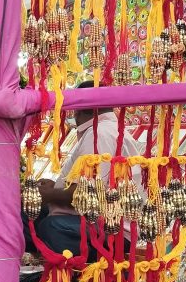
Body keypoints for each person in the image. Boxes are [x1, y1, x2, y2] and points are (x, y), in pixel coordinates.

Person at [36, 81, 143, 260]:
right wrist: (56, 187)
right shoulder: (104, 129)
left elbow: (88, 195)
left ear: (81, 108)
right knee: (34, 213)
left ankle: (68, 267)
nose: (73, 114)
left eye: (75, 108)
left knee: (50, 225)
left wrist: (49, 194)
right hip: (101, 222)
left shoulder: (100, 133)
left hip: (111, 230)